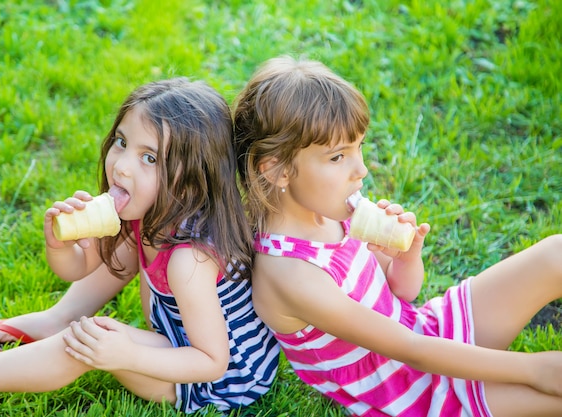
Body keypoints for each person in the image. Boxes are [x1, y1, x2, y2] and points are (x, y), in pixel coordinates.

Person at [231, 55, 562, 417]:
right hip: (413, 392)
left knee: (556, 254)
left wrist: (406, 257)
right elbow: (409, 350)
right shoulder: (290, 274)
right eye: (338, 157)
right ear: (277, 170)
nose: (362, 169)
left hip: (427, 331)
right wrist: (536, 369)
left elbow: (404, 294)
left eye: (359, 148)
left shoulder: (336, 212)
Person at [0, 78, 280, 413]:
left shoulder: (190, 259)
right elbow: (80, 268)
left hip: (218, 380)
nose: (122, 166)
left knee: (89, 341)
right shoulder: (148, 212)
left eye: (150, 158)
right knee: (127, 253)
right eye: (121, 142)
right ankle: (59, 317)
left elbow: (211, 362)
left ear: (192, 180)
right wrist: (59, 245)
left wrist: (126, 355)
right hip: (178, 347)